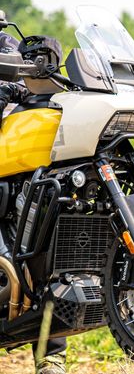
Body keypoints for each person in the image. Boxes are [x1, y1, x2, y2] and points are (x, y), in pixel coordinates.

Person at [0, 31, 67, 374]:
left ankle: (50, 354)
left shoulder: (7, 42)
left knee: (46, 234)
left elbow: (31, 80)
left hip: (20, 154)